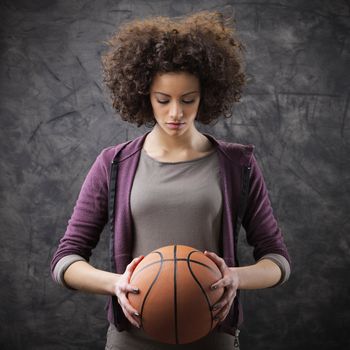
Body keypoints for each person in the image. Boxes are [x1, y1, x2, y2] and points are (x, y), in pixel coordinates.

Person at [50, 10, 291, 350]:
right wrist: (117, 284)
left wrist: (235, 277)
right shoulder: (114, 163)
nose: (175, 112)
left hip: (213, 338)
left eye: (188, 100)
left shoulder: (238, 164)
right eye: (163, 100)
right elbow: (66, 259)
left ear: (206, 95)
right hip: (130, 339)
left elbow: (277, 261)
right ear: (144, 96)